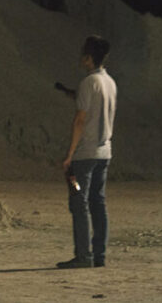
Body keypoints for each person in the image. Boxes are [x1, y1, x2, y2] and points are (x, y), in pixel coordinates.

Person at [57, 36, 117, 269]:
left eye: (83, 53)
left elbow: (80, 120)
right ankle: (99, 255)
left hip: (83, 157)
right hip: (104, 154)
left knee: (77, 200)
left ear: (89, 58)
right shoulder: (109, 82)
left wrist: (69, 155)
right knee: (98, 202)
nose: (80, 57)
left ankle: (84, 256)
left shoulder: (88, 82)